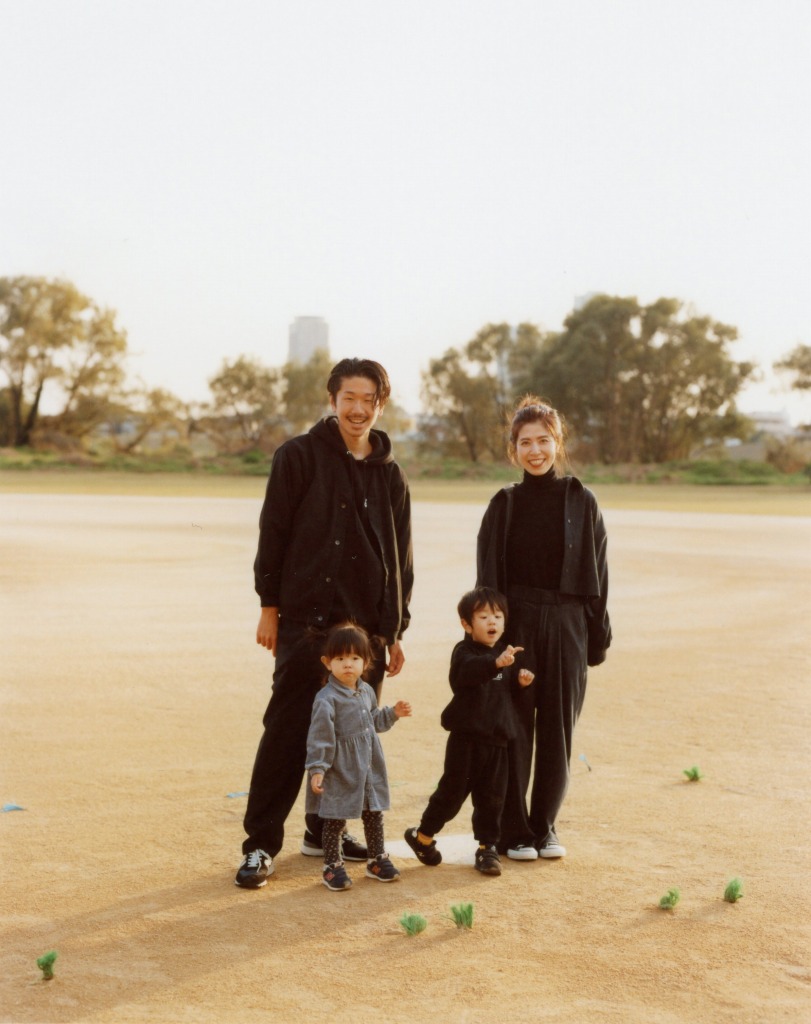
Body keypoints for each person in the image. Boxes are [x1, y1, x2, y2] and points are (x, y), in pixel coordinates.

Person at [235, 358, 413, 889]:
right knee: (289, 733)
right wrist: (269, 606)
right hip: (307, 627)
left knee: (352, 736)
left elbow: (401, 557)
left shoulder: (390, 473)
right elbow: (274, 532)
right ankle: (260, 845)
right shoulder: (297, 456)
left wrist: (395, 632)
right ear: (332, 399)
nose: (358, 409)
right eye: (348, 398)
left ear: (380, 405)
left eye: (368, 400)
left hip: (366, 635)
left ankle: (322, 833)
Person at [476, 397, 611, 862]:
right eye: (525, 443)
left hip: (568, 624)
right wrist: (487, 642)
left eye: (543, 441)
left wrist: (597, 636)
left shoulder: (582, 500)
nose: (535, 451)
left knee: (558, 730)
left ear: (558, 442)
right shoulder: (504, 504)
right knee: (514, 728)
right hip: (516, 626)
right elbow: (486, 582)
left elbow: (598, 576)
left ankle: (545, 826)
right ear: (513, 449)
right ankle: (513, 830)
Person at [404, 587, 534, 876]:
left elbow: (505, 695)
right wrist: (495, 663)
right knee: (451, 793)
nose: (492, 621)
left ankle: (487, 848)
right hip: (467, 739)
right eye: (484, 617)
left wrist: (521, 683)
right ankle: (422, 837)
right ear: (466, 624)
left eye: (498, 616)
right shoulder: (464, 652)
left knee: (493, 798)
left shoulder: (506, 654)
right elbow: (467, 674)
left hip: (498, 740)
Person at [306, 622, 411, 891]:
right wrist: (317, 768)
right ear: (327, 663)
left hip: (368, 765)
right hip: (339, 767)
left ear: (366, 662)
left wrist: (393, 714)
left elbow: (373, 721)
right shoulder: (326, 699)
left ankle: (376, 859)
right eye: (340, 658)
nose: (348, 664)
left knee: (373, 812)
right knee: (335, 818)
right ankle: (332, 866)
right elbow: (320, 737)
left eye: (354, 658)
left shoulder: (366, 691)